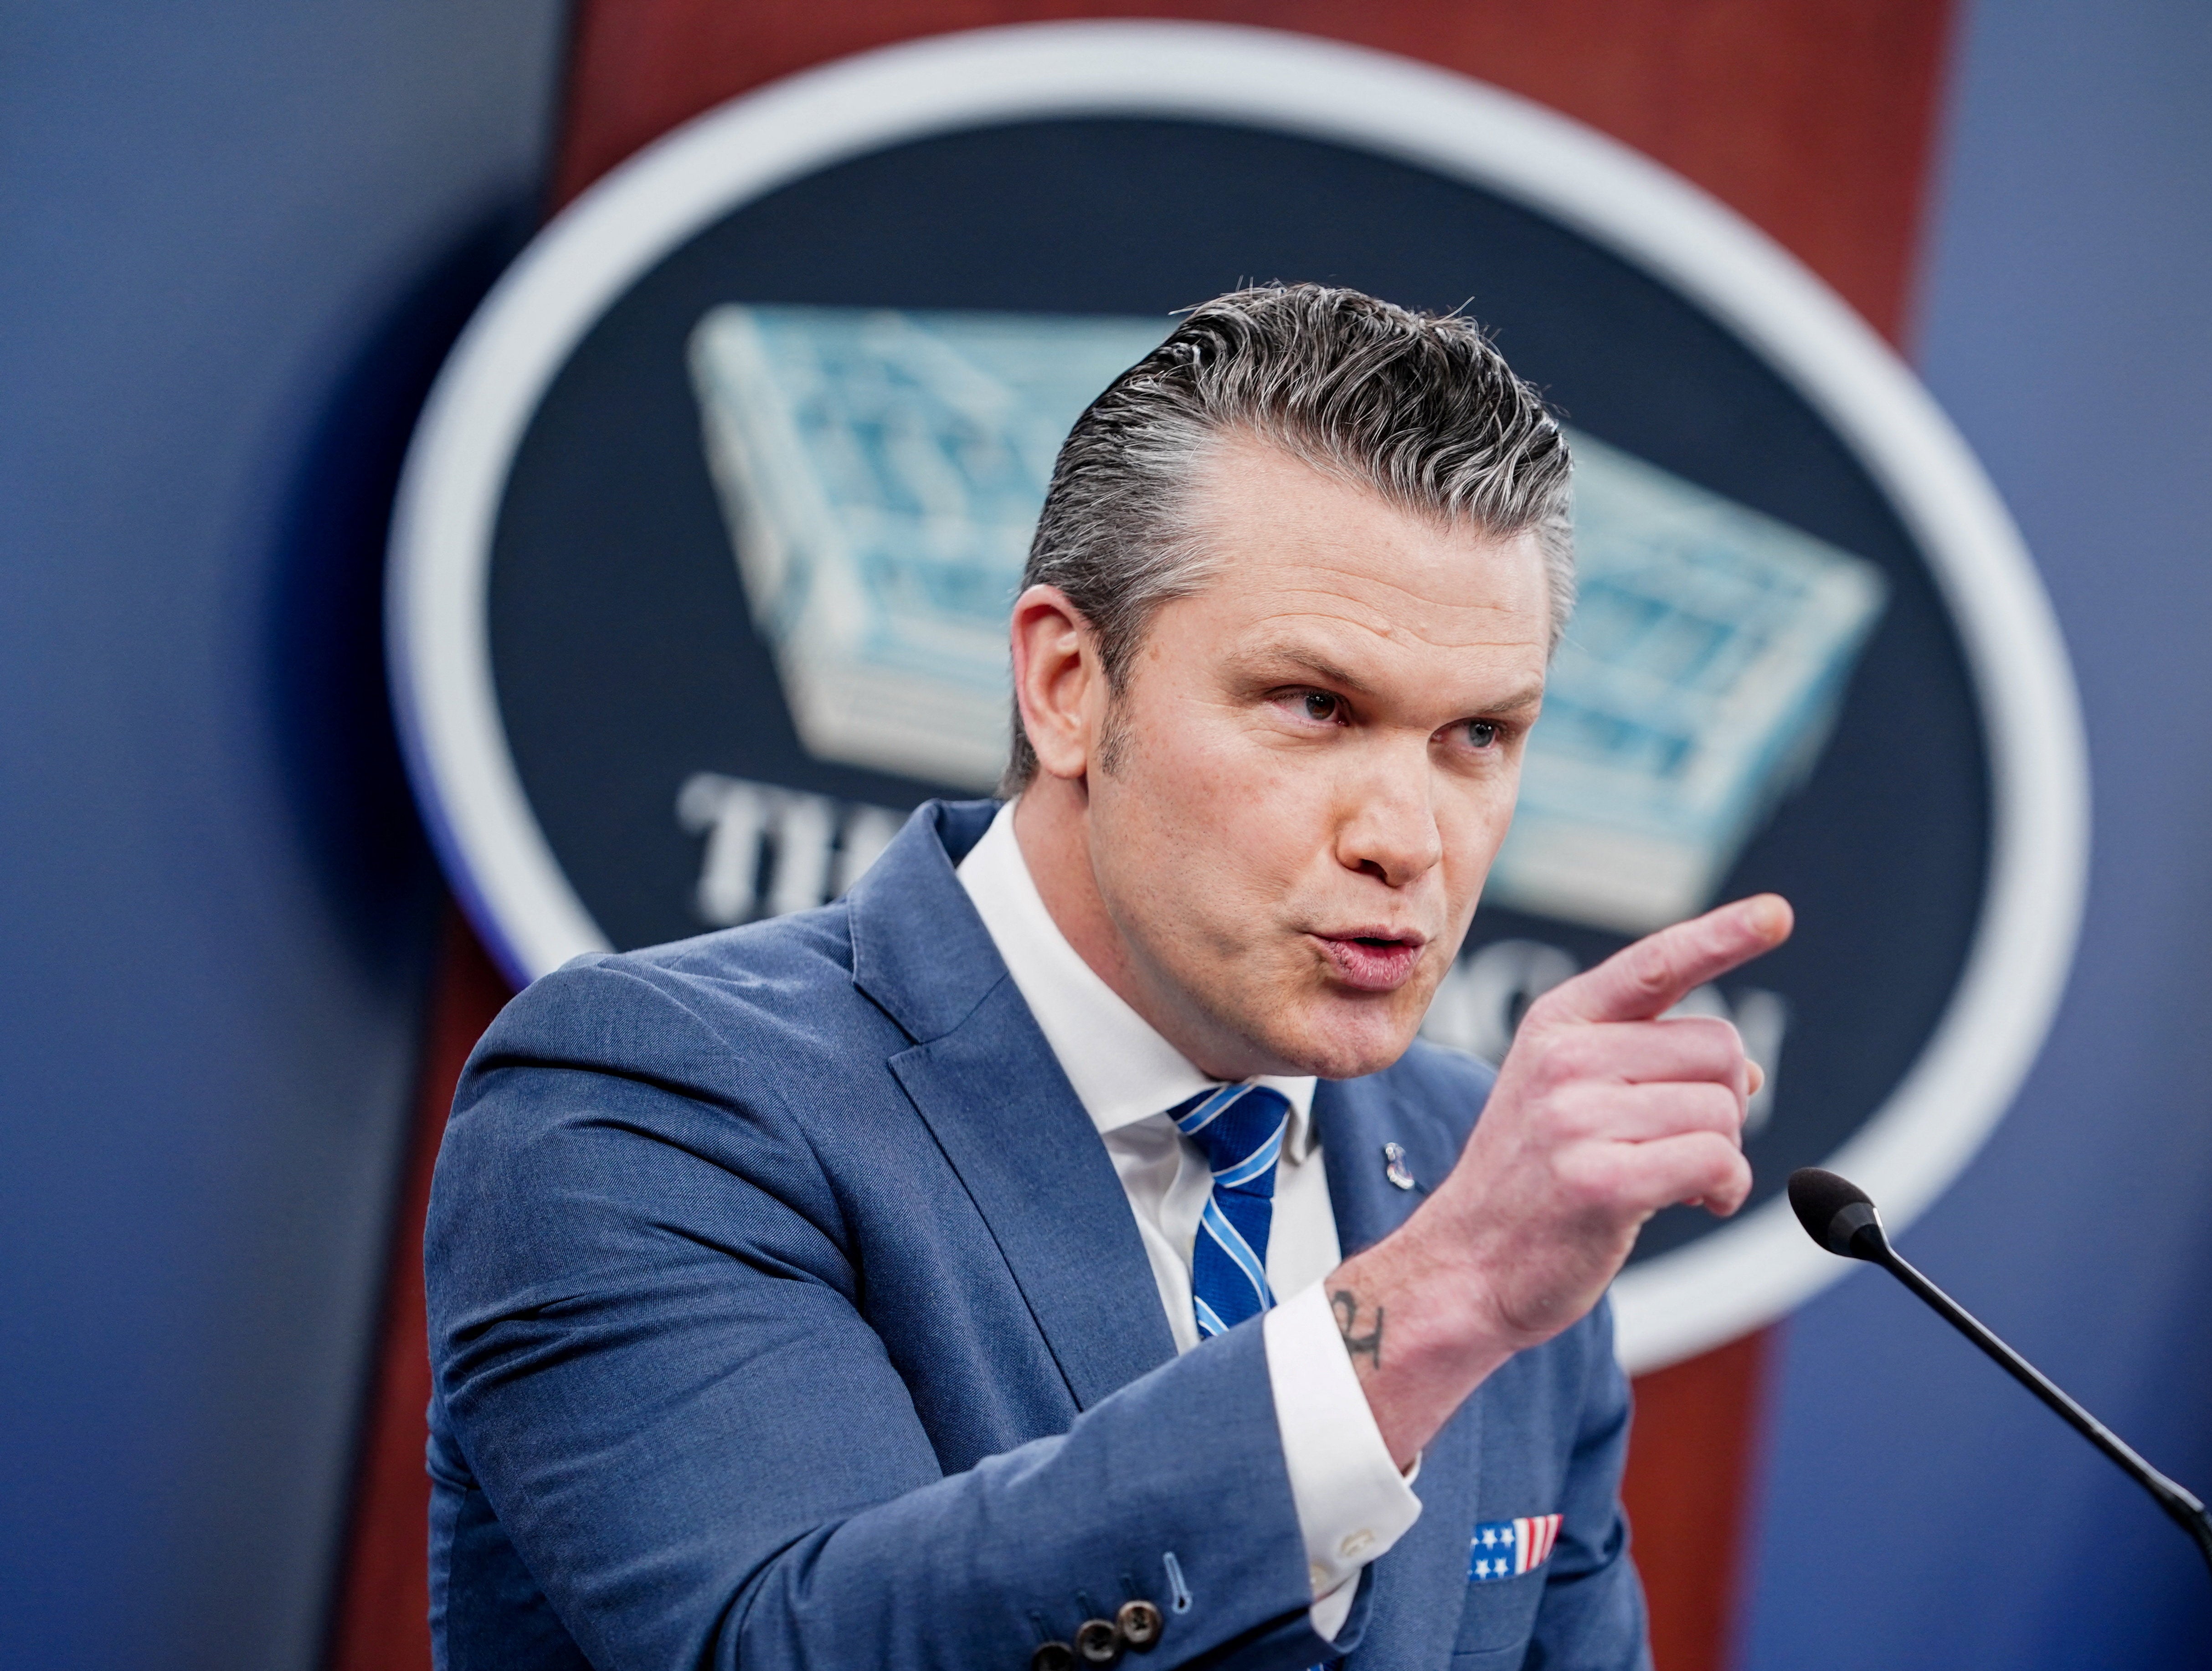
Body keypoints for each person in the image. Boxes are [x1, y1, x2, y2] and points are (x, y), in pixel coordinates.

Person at [425, 284, 1791, 1671]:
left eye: (1479, 735)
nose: (1405, 839)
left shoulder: (1465, 1167)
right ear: (1069, 683)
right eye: (1314, 706)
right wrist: (1426, 1309)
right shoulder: (650, 1095)